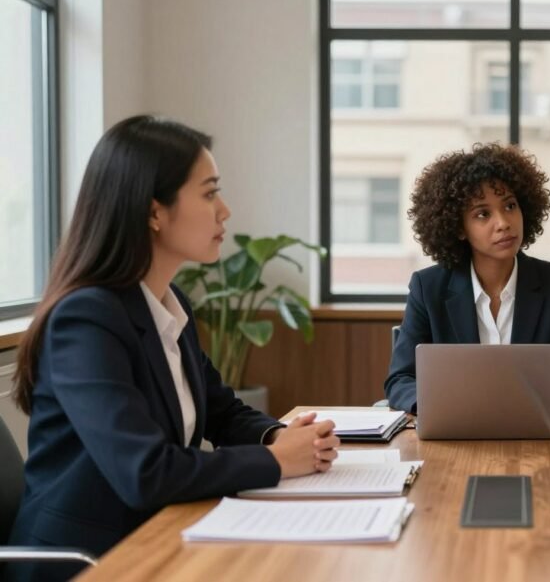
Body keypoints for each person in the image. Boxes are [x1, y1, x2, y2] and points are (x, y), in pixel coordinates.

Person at [6, 116, 339, 582]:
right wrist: (276, 461)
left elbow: (221, 410)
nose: (224, 210)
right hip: (88, 563)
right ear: (154, 211)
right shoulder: (86, 320)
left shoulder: (167, 302)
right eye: (208, 193)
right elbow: (144, 472)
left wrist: (276, 436)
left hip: (156, 536)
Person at [384, 143, 550, 414]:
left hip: (534, 434)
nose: (503, 222)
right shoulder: (429, 288)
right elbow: (400, 381)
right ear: (459, 228)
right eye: (483, 214)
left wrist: (517, 408)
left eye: (510, 206)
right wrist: (444, 408)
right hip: (455, 432)